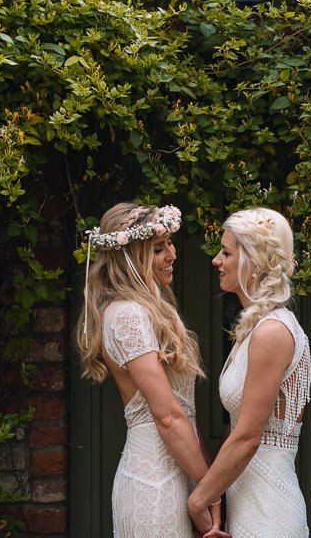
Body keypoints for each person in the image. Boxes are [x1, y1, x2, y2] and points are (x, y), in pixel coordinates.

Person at [76, 202, 229, 538]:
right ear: (130, 259)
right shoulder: (127, 314)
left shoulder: (149, 311)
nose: (172, 254)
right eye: (159, 249)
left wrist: (204, 485)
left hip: (179, 473)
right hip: (153, 480)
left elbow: (184, 414)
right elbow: (168, 416)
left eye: (169, 244)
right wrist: (208, 493)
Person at [187, 207, 311, 537]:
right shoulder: (256, 327)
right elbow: (236, 430)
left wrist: (199, 501)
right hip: (248, 504)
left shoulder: (272, 331)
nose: (216, 260)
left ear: (254, 263)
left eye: (226, 252)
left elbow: (248, 437)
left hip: (269, 511)